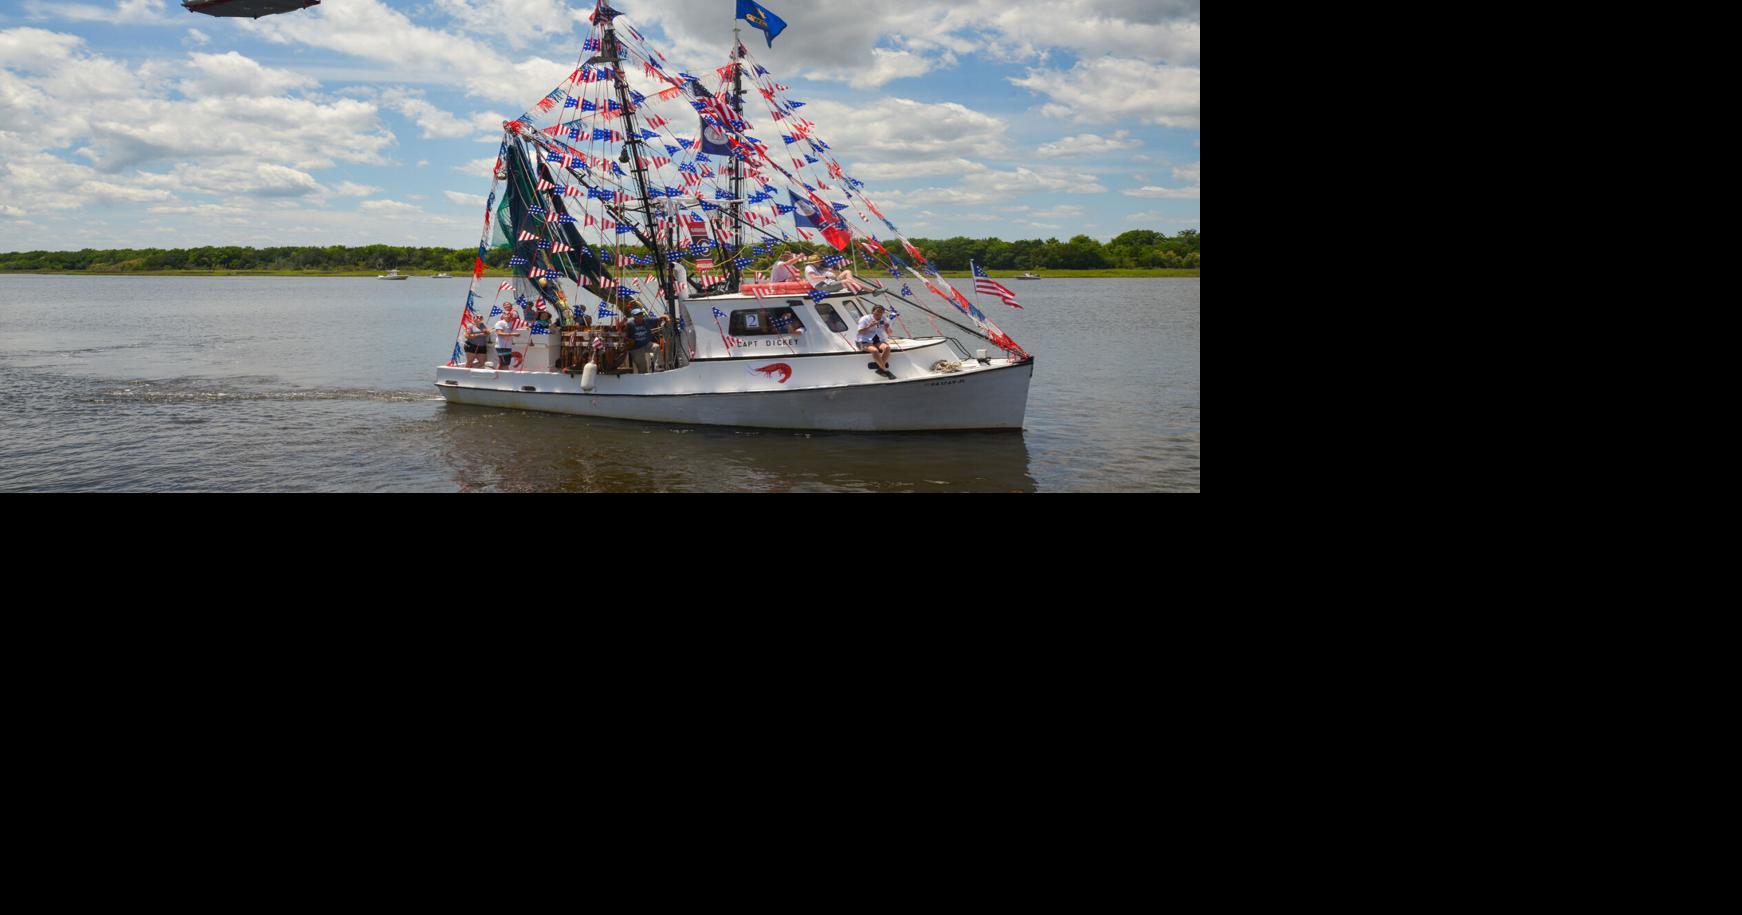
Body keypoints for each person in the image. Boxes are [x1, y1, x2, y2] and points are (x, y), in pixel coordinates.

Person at [622, 307, 671, 374]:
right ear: (634, 317)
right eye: (638, 315)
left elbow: (661, 317)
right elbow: (622, 333)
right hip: (636, 348)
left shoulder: (647, 320)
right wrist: (629, 340)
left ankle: (658, 367)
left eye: (641, 314)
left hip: (646, 344)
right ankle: (644, 379)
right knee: (642, 369)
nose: (640, 316)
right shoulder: (630, 324)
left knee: (656, 347)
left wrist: (667, 318)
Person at [856, 303, 896, 378]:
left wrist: (887, 327)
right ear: (873, 311)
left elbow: (890, 333)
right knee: (875, 351)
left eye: (881, 312)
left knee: (887, 348)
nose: (879, 314)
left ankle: (880, 369)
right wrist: (869, 326)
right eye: (877, 312)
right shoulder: (865, 319)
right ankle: (885, 370)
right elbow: (860, 331)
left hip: (878, 340)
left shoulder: (884, 319)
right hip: (864, 340)